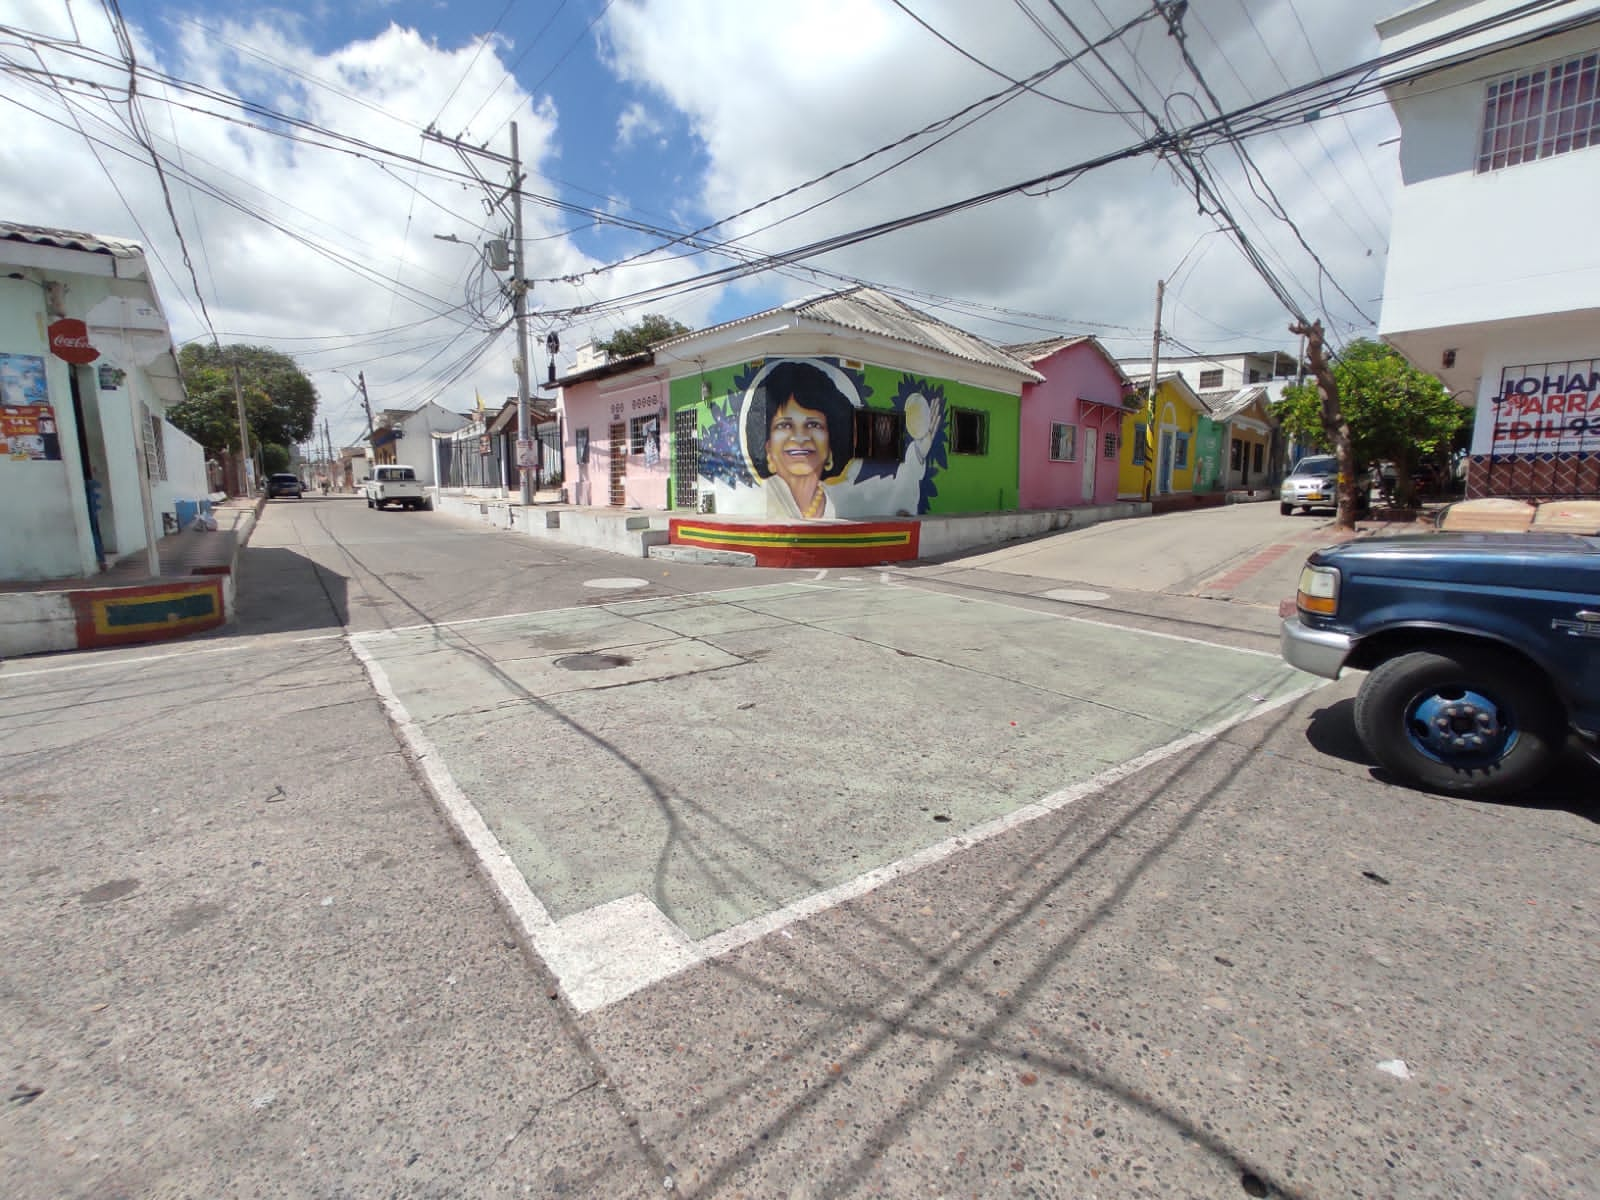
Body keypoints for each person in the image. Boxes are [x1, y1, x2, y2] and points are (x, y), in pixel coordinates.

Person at [742, 360, 856, 520]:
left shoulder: (836, 505)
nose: (800, 437)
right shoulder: (756, 503)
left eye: (813, 424)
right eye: (785, 425)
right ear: (767, 447)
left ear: (831, 444)